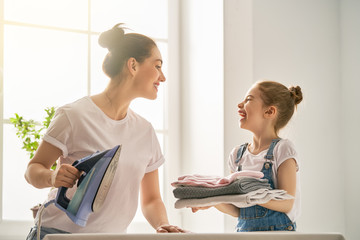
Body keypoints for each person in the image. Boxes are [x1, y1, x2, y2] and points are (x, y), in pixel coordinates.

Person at [25, 23, 185, 240]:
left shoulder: (145, 131)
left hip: (111, 237)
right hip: (57, 234)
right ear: (133, 65)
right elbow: (33, 169)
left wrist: (163, 224)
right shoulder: (74, 115)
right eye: (157, 66)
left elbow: (151, 199)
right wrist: (52, 176)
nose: (162, 77)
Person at [191, 80, 303, 232]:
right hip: (245, 234)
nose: (239, 104)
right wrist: (212, 200)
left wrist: (250, 194)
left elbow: (287, 203)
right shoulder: (237, 155)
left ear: (269, 112)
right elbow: (238, 210)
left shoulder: (282, 149)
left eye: (248, 99)